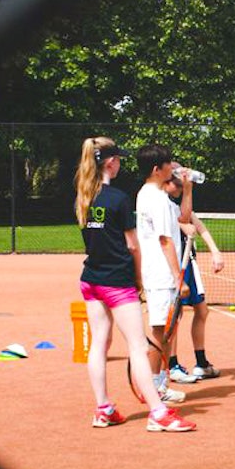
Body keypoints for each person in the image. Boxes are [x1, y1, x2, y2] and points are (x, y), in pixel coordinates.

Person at [73, 136, 194, 433]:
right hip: (117, 280)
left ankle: (103, 409)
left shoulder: (82, 197)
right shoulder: (119, 199)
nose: (120, 164)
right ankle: (158, 412)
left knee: (100, 344)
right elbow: (132, 245)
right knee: (138, 347)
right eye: (118, 160)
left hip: (91, 280)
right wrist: (138, 280)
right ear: (110, 162)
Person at [134, 144, 193, 407]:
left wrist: (188, 189)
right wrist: (177, 277)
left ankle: (159, 384)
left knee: (167, 332)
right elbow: (164, 239)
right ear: (157, 169)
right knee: (160, 333)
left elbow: (183, 217)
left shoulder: (159, 195)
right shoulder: (153, 198)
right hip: (160, 276)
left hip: (164, 276)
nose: (173, 167)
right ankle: (152, 388)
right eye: (169, 164)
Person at [161, 171, 225, 383]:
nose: (180, 189)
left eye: (183, 186)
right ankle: (172, 365)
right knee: (174, 316)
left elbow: (195, 223)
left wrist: (215, 251)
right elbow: (169, 225)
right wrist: (181, 225)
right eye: (178, 185)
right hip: (174, 262)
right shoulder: (160, 202)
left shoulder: (178, 203)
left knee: (201, 310)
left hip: (189, 261)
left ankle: (201, 362)